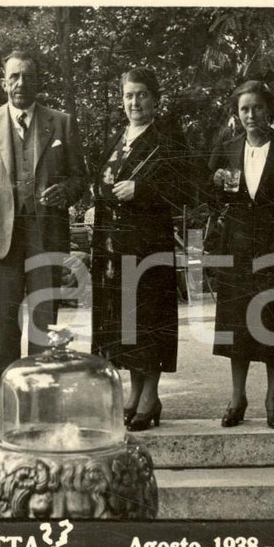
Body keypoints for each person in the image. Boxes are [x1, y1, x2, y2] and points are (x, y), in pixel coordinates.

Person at [0, 50, 86, 434]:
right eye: (13, 77)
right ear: (4, 82)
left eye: (27, 76)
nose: (20, 83)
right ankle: (7, 408)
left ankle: (41, 409)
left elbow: (82, 179)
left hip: (45, 236)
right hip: (2, 240)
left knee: (44, 324)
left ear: (38, 81)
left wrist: (65, 191)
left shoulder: (61, 123)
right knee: (4, 327)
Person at [90, 67, 196, 432]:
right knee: (127, 321)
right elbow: (102, 181)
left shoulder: (167, 140)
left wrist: (143, 190)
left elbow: (186, 191)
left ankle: (151, 394)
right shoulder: (118, 138)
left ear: (155, 98)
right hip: (114, 247)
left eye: (141, 95)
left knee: (149, 318)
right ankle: (135, 394)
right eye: (128, 96)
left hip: (150, 243)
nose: (134, 102)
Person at [208, 81, 274, 430]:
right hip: (236, 247)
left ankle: (273, 398)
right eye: (244, 109)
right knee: (236, 324)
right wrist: (216, 180)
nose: (251, 115)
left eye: (256, 108)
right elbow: (209, 195)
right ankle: (237, 397)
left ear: (268, 109)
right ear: (236, 114)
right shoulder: (227, 148)